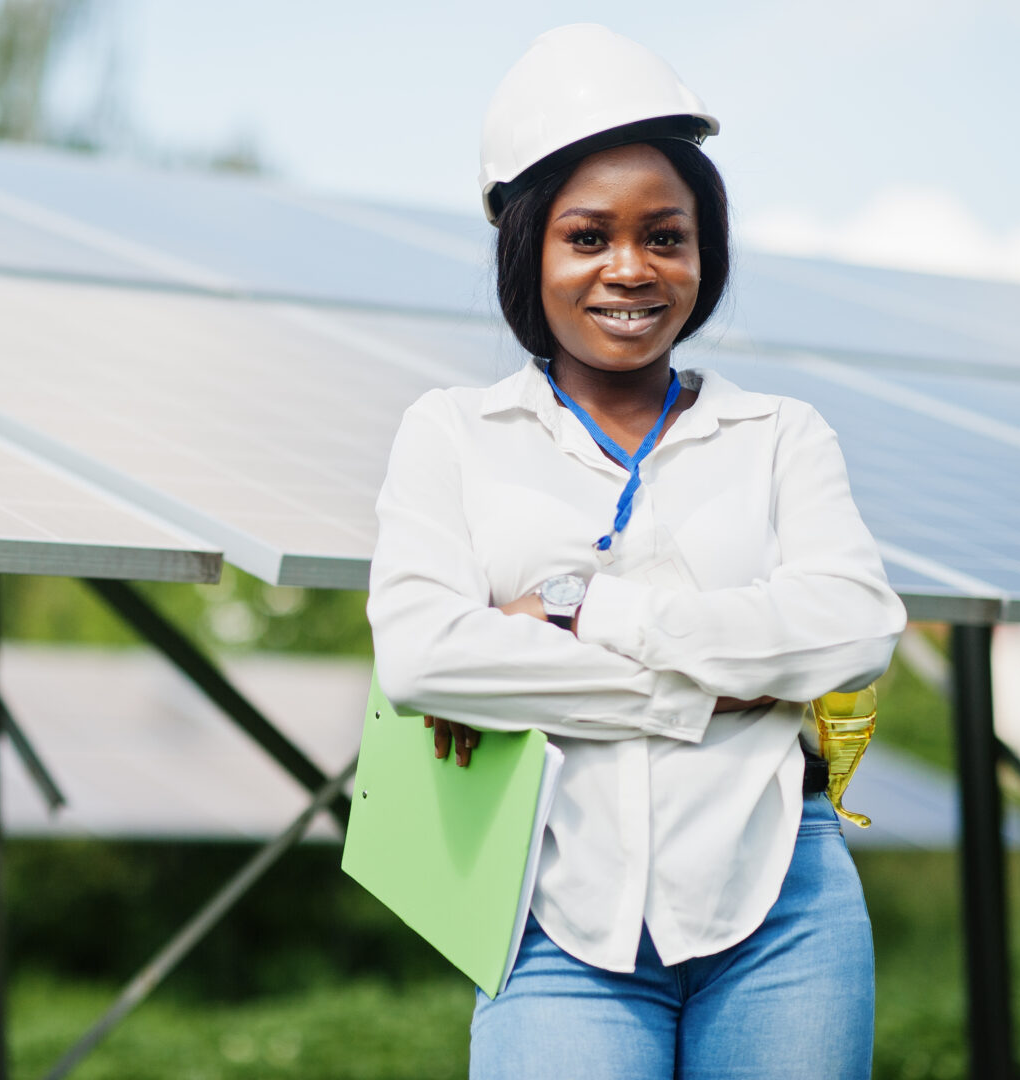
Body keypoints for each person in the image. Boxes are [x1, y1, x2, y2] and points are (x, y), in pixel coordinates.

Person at [365, 24, 907, 1080]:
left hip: (788, 907)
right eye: (588, 236)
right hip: (555, 916)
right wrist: (707, 694)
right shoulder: (452, 434)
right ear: (531, 248)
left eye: (666, 235)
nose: (631, 268)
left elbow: (856, 627)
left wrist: (586, 617)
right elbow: (425, 658)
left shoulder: (782, 434)